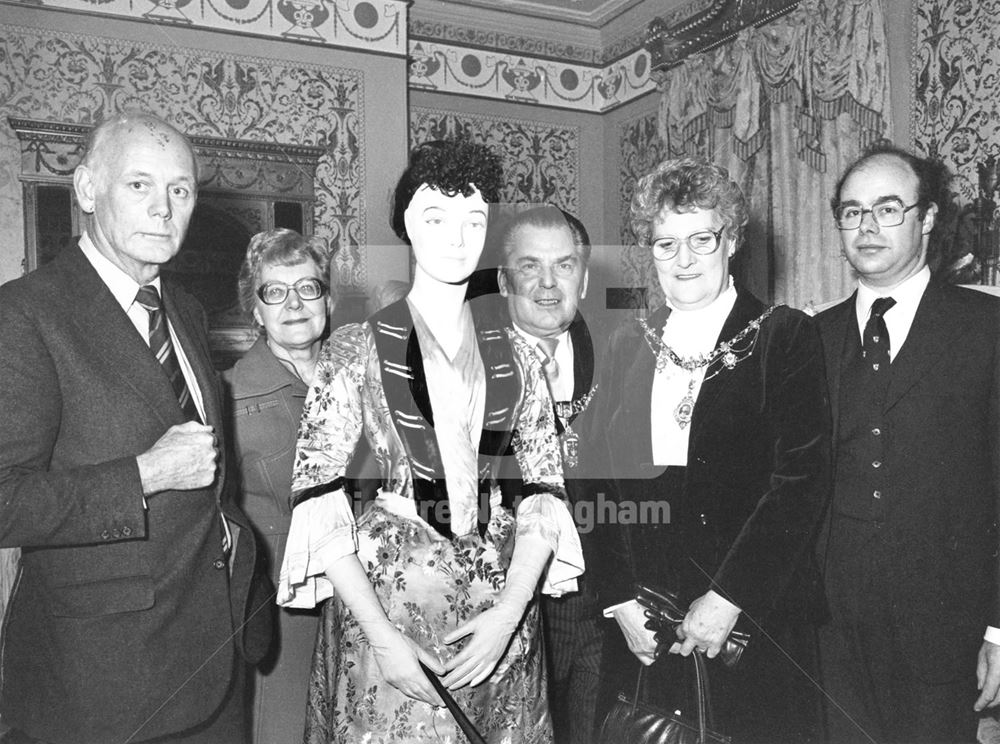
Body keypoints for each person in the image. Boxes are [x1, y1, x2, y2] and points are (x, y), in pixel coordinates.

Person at [276, 139, 584, 743]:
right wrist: (380, 637)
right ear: (407, 227)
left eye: (475, 219)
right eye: (435, 217)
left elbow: (545, 492)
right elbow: (317, 497)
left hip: (500, 613)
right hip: (389, 609)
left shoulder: (520, 352)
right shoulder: (355, 348)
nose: (457, 236)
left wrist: (511, 612)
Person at [0, 111, 270, 744]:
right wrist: (144, 475)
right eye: (139, 185)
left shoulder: (184, 308)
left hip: (212, 657)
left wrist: (231, 535)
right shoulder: (25, 314)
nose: (163, 209)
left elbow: (205, 465)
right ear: (89, 190)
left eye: (180, 190)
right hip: (99, 680)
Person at [593, 157, 830, 742]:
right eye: (665, 243)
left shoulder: (784, 334)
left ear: (731, 241)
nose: (684, 259)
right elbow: (590, 475)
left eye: (701, 238)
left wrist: (728, 599)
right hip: (643, 628)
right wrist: (618, 598)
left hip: (751, 621)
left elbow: (801, 480)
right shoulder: (624, 341)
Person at [816, 145, 1000, 743]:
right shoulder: (808, 339)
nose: (867, 227)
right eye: (851, 211)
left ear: (927, 219)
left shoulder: (986, 329)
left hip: (947, 631)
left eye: (888, 208)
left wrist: (999, 629)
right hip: (830, 632)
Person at [496, 206, 605, 743]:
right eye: (529, 266)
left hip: (595, 600)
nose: (546, 283)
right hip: (500, 599)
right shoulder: (463, 358)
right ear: (503, 279)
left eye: (563, 266)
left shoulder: (620, 349)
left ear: (582, 277)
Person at [223, 228, 332, 744]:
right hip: (285, 616)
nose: (293, 303)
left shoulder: (361, 376)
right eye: (274, 291)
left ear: (327, 298)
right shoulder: (228, 397)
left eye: (308, 288)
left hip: (371, 605)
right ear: (255, 310)